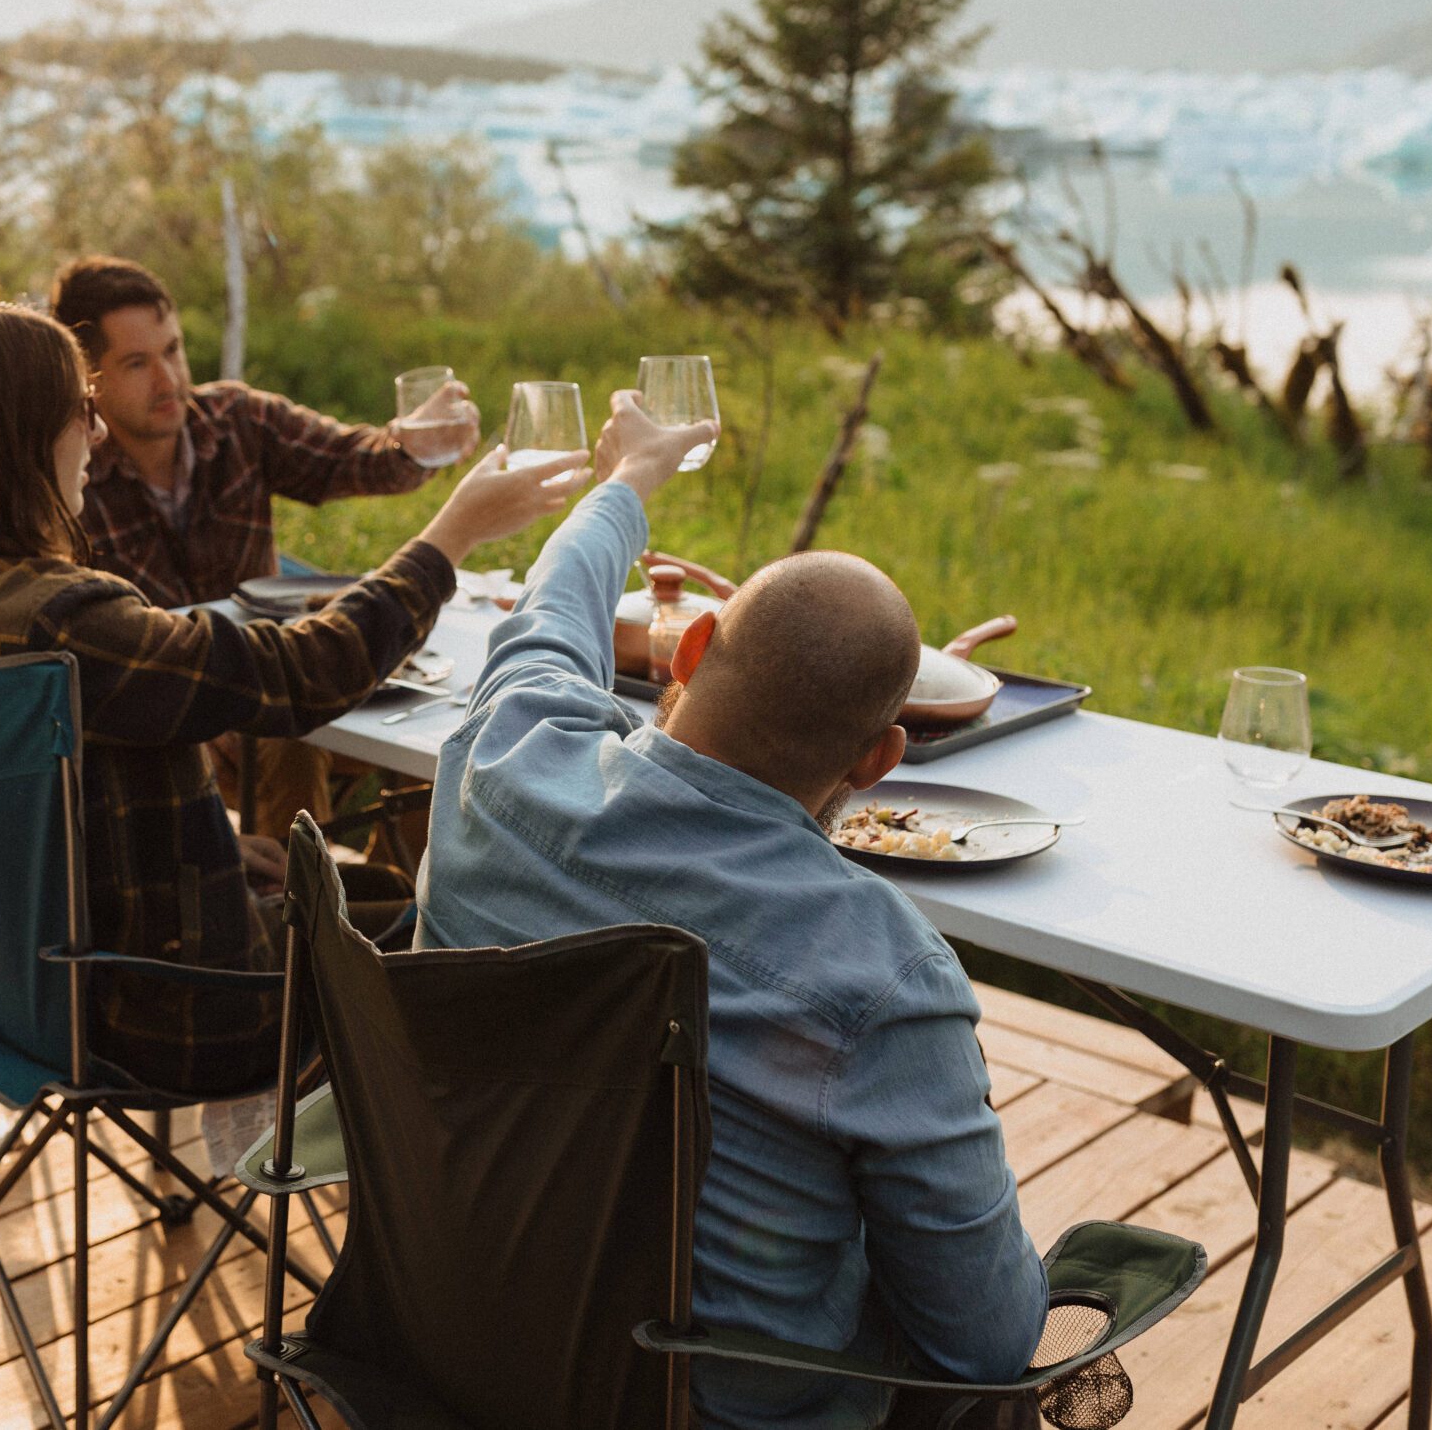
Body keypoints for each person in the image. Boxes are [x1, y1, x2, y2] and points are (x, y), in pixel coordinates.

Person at [419, 390, 1050, 1428]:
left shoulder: (504, 755)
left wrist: (630, 482)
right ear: (880, 761)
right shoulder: (884, 975)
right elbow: (981, 1343)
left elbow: (551, 611)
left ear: (689, 646)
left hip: (455, 1342)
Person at [0, 299, 577, 1096]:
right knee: (463, 923)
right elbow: (302, 673)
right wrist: (450, 537)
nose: (97, 434)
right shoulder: (67, 622)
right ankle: (432, 1196)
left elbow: (32, 810)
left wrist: (218, 851)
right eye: (80, 411)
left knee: (373, 894)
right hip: (179, 1012)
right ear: (9, 438)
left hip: (6, 983)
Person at [54, 255, 481, 842]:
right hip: (171, 724)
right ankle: (294, 922)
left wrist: (415, 442)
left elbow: (359, 459)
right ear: (89, 380)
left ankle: (392, 914)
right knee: (286, 737)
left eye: (173, 351)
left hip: (292, 677)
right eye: (137, 363)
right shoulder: (68, 480)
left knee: (449, 736)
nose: (169, 380)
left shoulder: (237, 419)